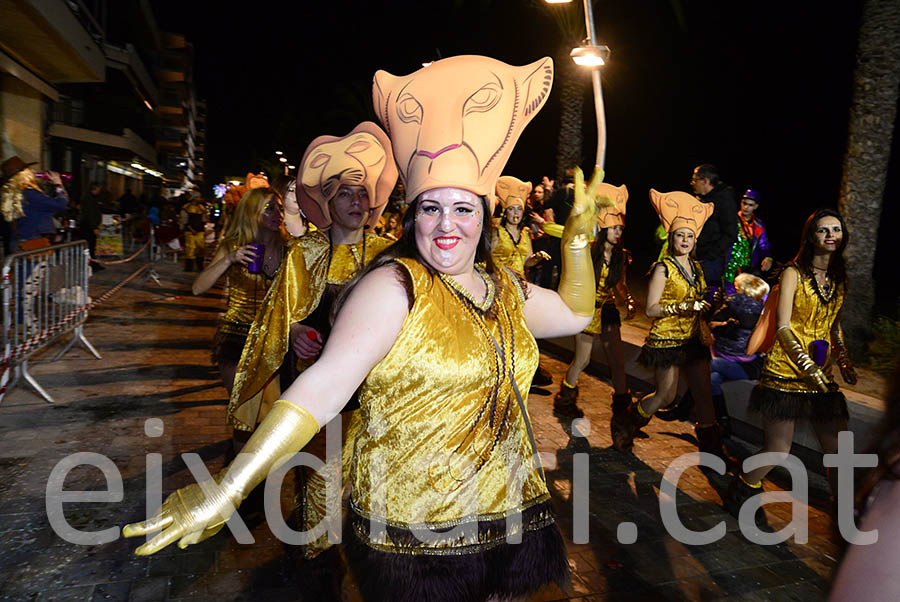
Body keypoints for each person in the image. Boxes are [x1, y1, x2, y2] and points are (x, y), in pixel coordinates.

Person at [123, 54, 595, 602]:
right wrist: (229, 487)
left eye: (463, 209)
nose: (446, 225)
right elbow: (326, 385)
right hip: (419, 536)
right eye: (430, 208)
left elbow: (574, 315)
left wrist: (578, 243)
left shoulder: (505, 288)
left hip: (514, 516)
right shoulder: (394, 286)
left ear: (483, 215)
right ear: (411, 214)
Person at [226, 122, 397, 595]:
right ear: (328, 203)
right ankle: (320, 571)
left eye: (363, 194)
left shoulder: (390, 256)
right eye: (346, 194)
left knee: (369, 492)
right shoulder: (304, 254)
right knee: (319, 489)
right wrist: (297, 331)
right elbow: (276, 319)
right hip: (322, 399)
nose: (357, 203)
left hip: (377, 401)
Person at [725, 208, 857, 515]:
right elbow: (783, 326)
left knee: (839, 450)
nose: (831, 236)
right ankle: (742, 488)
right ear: (811, 237)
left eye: (836, 230)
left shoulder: (839, 279)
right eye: (823, 230)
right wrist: (806, 367)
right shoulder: (792, 273)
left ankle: (845, 510)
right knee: (778, 450)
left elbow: (833, 324)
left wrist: (845, 359)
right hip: (786, 372)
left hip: (821, 377)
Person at [612, 189, 736, 468]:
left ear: (695, 240)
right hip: (667, 340)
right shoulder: (662, 268)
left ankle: (713, 452)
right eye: (680, 235)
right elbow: (652, 309)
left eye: (690, 236)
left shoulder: (698, 269)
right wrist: (682, 307)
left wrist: (710, 304)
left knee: (704, 394)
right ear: (672, 238)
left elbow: (697, 302)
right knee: (665, 395)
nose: (685, 241)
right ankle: (627, 422)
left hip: (693, 338)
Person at [191, 187, 286, 396]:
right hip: (236, 334)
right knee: (241, 403)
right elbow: (198, 288)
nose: (278, 214)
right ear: (252, 211)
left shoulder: (290, 247)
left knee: (274, 408)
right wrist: (229, 259)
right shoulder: (233, 245)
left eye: (280, 208)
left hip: (277, 337)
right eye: (269, 208)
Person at [554, 182, 635, 422]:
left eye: (620, 229)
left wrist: (629, 300)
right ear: (604, 229)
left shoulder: (621, 256)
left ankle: (623, 412)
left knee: (617, 361)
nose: (618, 233)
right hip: (588, 309)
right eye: (614, 228)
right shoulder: (589, 251)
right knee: (583, 359)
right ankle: (565, 399)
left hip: (608, 311)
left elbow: (619, 284)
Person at [491, 175, 552, 389]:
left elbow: (527, 262)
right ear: (505, 211)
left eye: (519, 210)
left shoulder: (526, 234)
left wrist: (537, 258)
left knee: (521, 330)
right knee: (502, 331)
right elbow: (486, 258)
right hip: (499, 288)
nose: (515, 214)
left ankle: (522, 371)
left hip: (520, 289)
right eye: (511, 210)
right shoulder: (496, 231)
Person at [707, 272, 769, 436]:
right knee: (712, 378)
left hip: (745, 365)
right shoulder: (765, 310)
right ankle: (722, 421)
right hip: (746, 363)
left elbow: (711, 324)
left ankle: (717, 420)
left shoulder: (735, 304)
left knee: (708, 366)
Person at [690, 164, 738, 301]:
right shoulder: (700, 200)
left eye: (695, 180)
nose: (692, 183)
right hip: (696, 256)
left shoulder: (724, 200)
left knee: (706, 300)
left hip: (711, 261)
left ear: (705, 181)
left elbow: (730, 233)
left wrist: (711, 255)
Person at [0, 157, 69, 248]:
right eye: (29, 169)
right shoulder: (29, 193)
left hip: (19, 242)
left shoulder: (15, 194)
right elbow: (60, 205)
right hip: (32, 242)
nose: (34, 171)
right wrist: (58, 184)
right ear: (24, 175)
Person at [723, 189, 773, 294]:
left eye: (750, 205)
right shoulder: (731, 220)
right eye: (744, 203)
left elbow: (763, 245)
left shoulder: (758, 225)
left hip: (747, 267)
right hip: (730, 264)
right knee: (728, 293)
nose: (746, 207)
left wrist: (767, 257)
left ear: (755, 206)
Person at [180, 193, 208, 272]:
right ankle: (189, 268)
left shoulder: (201, 208)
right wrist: (191, 229)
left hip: (200, 231)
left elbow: (203, 220)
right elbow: (185, 221)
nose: (200, 199)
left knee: (201, 249)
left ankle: (200, 267)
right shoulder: (186, 207)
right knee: (190, 249)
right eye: (198, 197)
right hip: (190, 231)